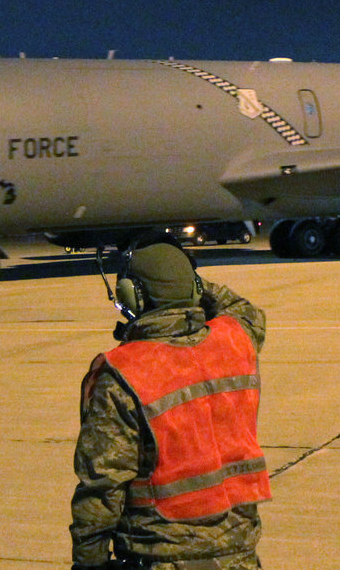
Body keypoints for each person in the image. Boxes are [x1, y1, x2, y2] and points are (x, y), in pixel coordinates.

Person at [71, 237, 271, 570]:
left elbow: (102, 487)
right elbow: (241, 308)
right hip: (240, 555)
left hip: (162, 556)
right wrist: (185, 279)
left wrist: (87, 563)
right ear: (194, 287)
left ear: (130, 296)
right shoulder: (236, 341)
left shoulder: (124, 374)